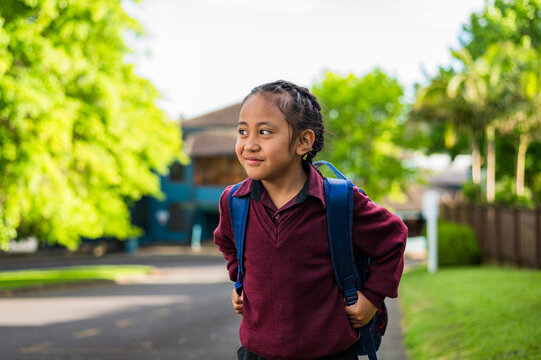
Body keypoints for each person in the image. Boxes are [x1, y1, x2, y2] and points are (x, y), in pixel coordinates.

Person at [214, 80, 407, 360]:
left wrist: (372, 298)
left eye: (264, 132)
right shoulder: (234, 201)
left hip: (331, 353)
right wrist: (241, 279)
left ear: (303, 142)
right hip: (256, 353)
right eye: (242, 131)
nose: (249, 144)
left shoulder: (340, 201)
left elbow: (393, 237)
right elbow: (227, 242)